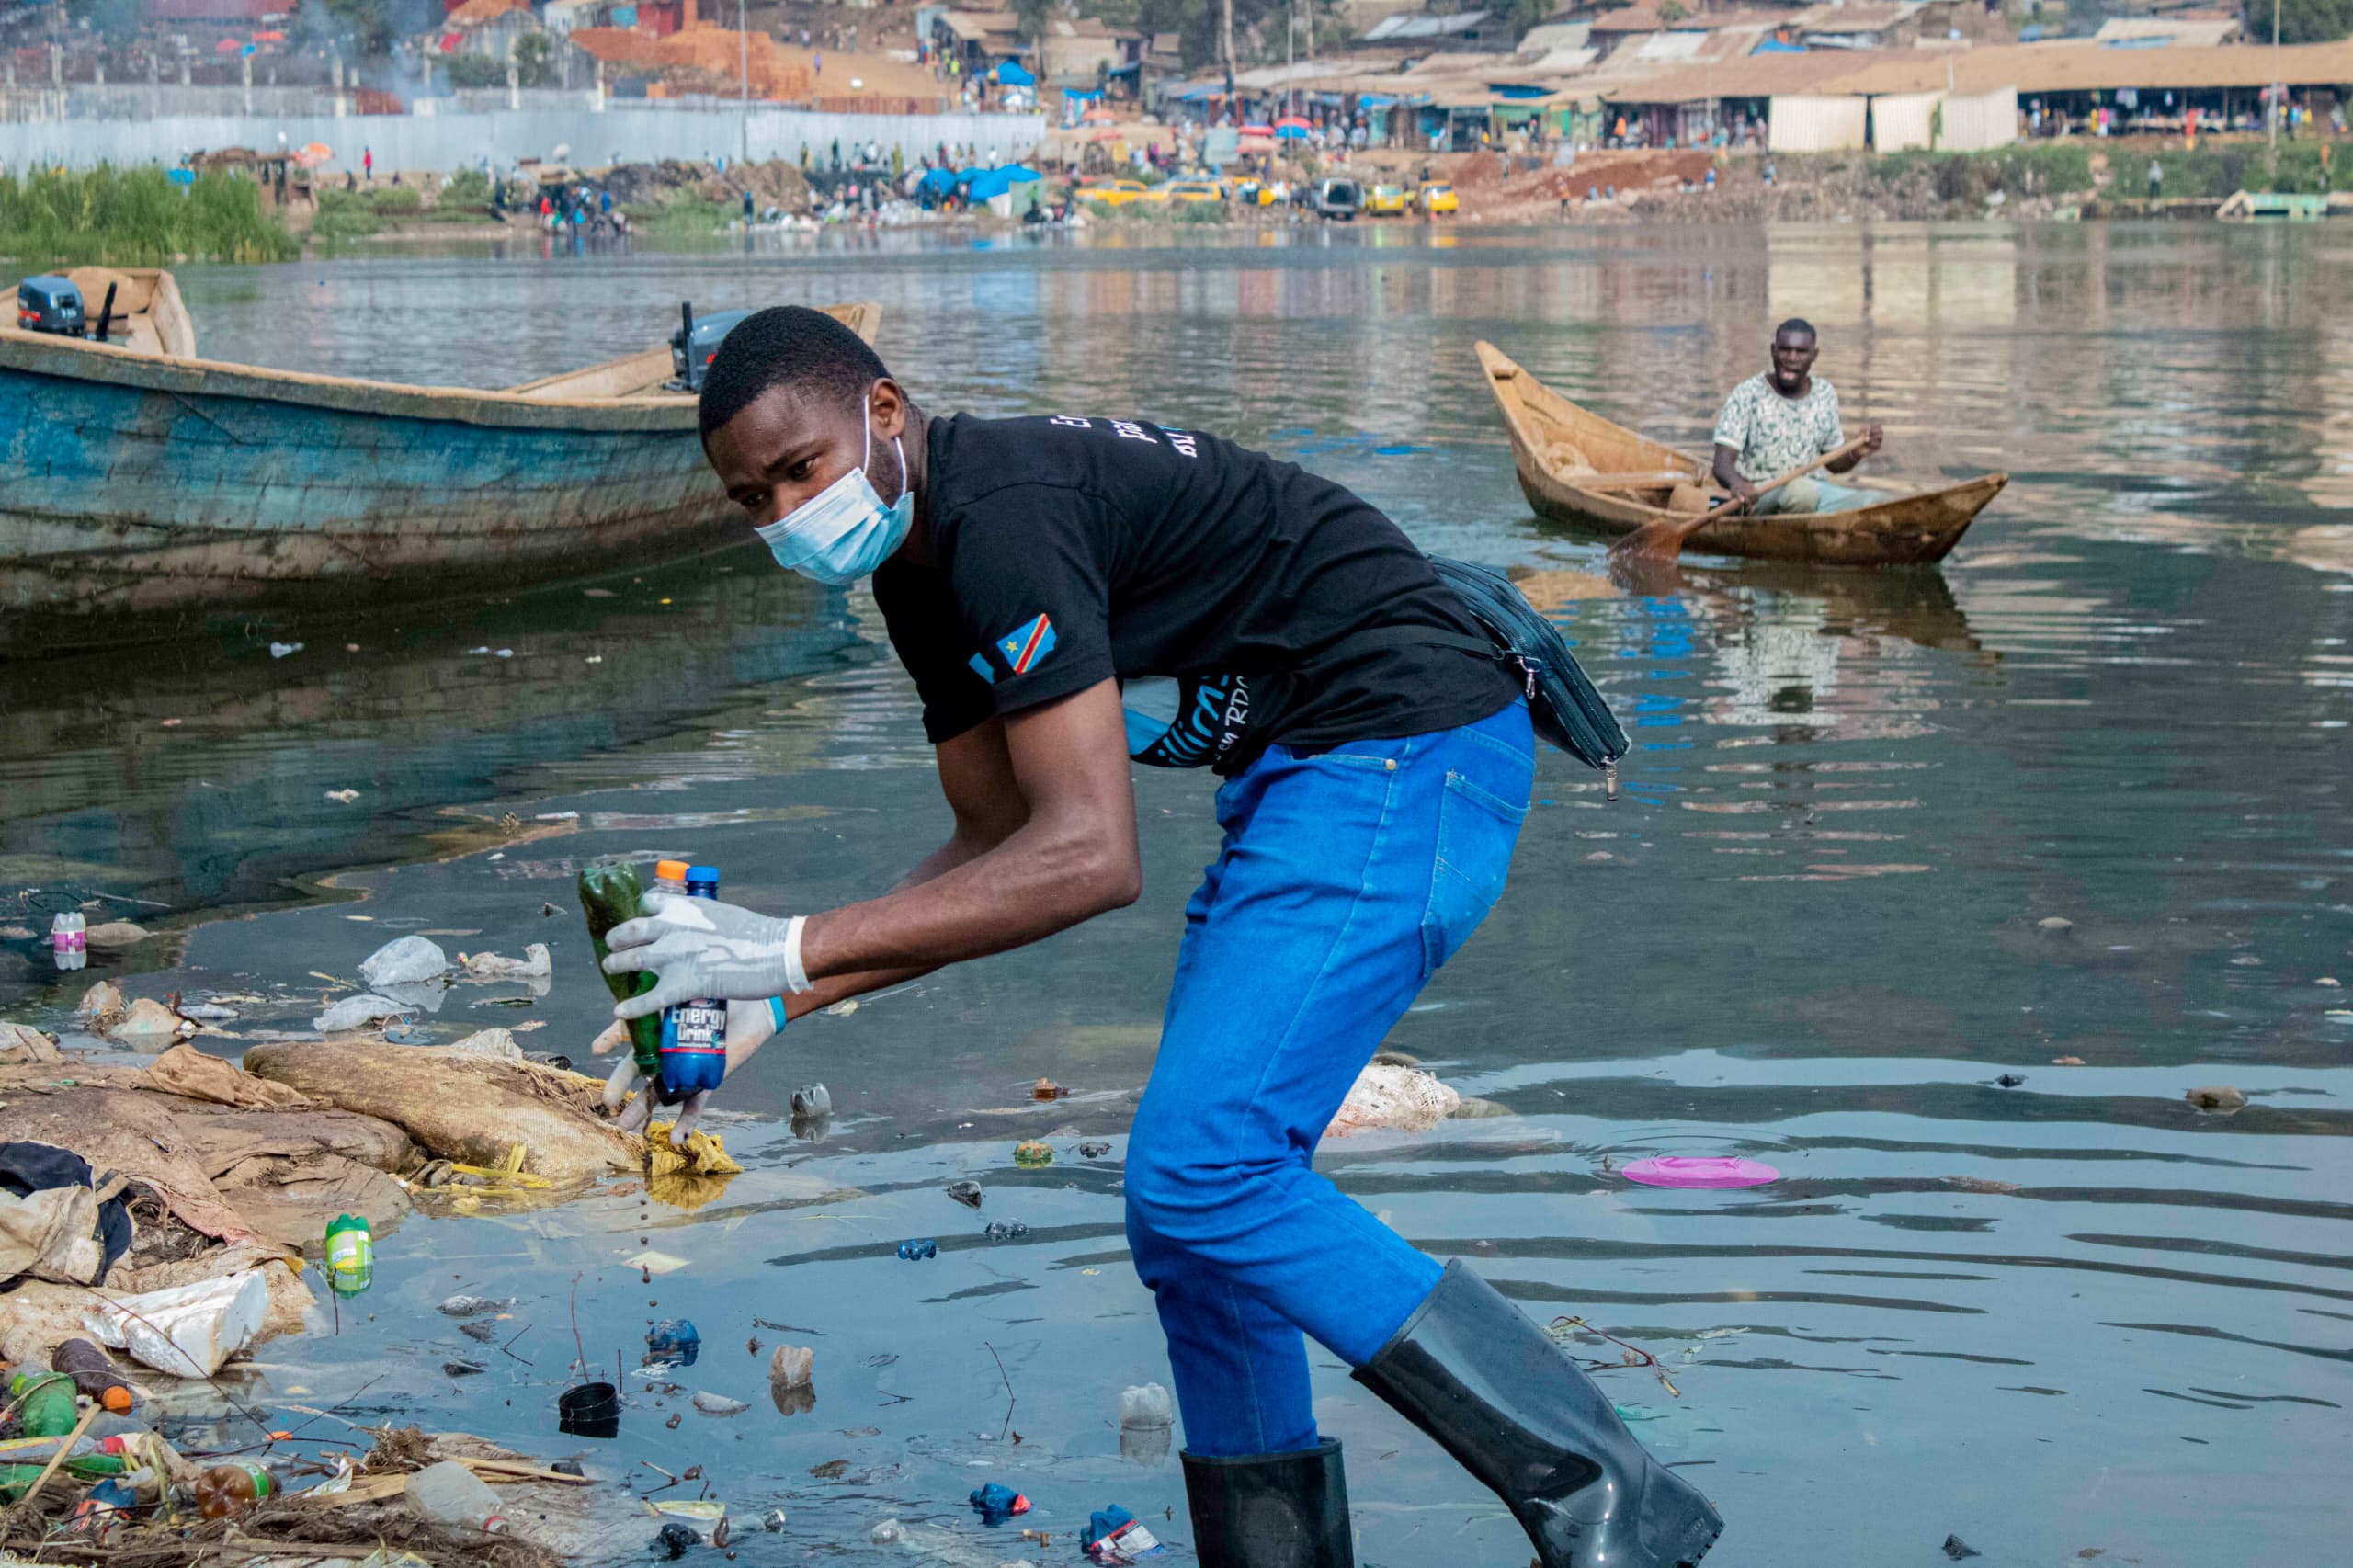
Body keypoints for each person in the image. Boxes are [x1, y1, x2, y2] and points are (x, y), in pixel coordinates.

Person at [597, 307, 1723, 1568]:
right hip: (1311, 778)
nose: (785, 510)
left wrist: (788, 944)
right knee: (1190, 1212)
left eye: (800, 467)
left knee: (1203, 1171)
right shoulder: (915, 571)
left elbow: (1090, 858)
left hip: (1405, 749)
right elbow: (995, 840)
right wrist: (778, 998)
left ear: (885, 411)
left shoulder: (1004, 515)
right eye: (752, 497)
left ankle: (1608, 1491)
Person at [1711, 318, 1882, 515]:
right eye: (1785, 350)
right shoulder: (1747, 393)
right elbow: (1721, 462)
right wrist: (1737, 484)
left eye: (1801, 352)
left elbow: (1833, 463)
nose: (1792, 358)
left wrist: (1856, 453)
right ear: (1773, 351)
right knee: (1802, 492)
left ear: (1814, 355)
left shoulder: (1825, 393)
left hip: (1817, 492)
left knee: (1879, 502)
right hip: (1761, 496)